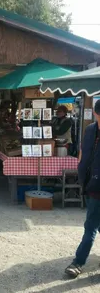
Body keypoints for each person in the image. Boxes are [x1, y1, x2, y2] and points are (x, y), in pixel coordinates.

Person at [65, 99, 100, 278]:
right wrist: (81, 174)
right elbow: (82, 152)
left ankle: (78, 261)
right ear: (96, 114)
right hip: (91, 185)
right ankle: (78, 262)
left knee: (91, 226)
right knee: (93, 224)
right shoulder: (90, 130)